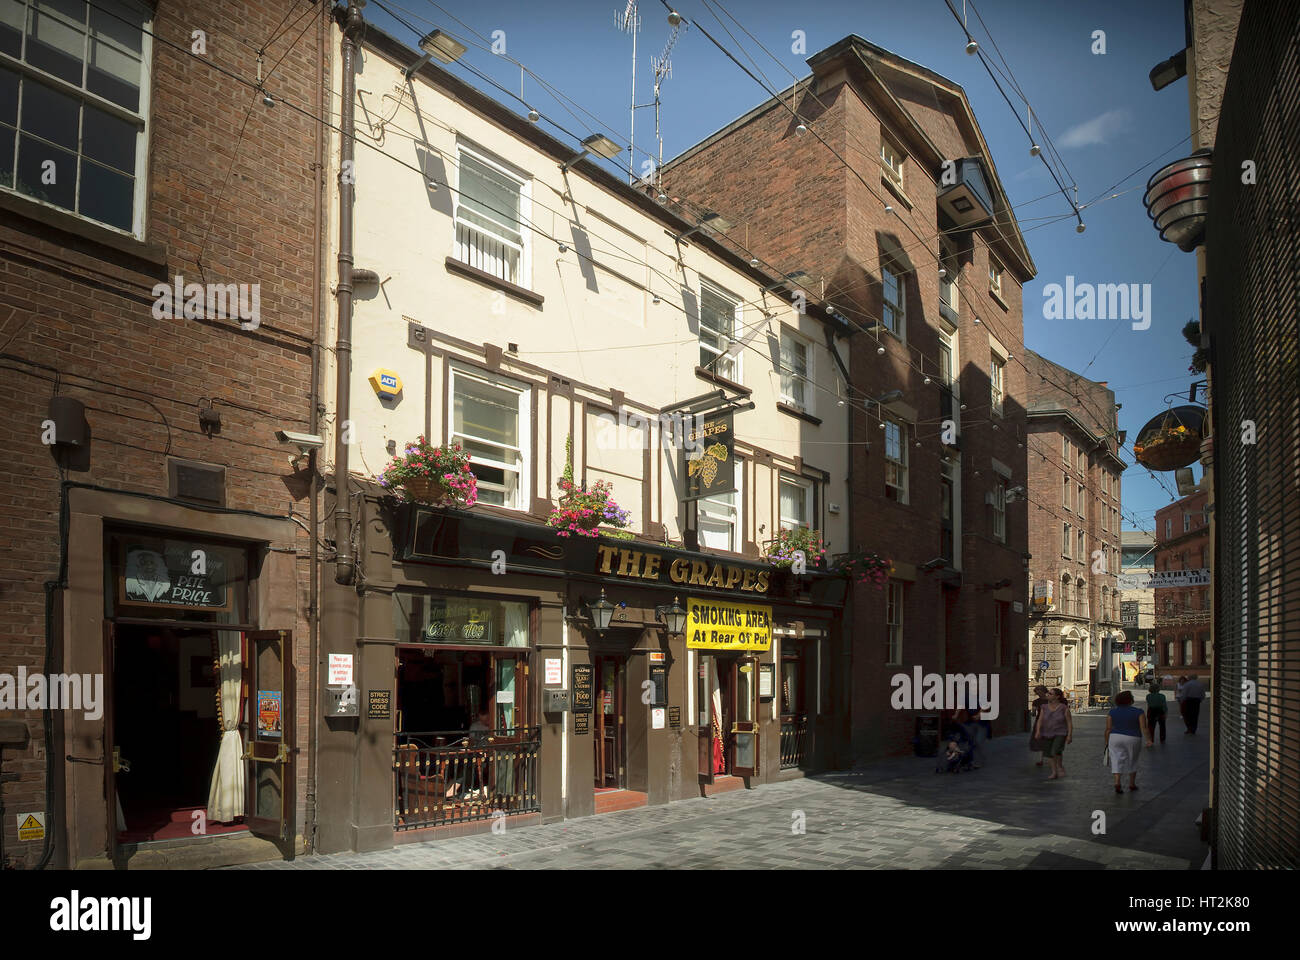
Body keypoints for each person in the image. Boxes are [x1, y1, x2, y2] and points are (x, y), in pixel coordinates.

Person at [1105, 690, 1153, 793]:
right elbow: (1143, 727)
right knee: (1133, 759)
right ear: (1131, 700)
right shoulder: (1139, 712)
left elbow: (1108, 728)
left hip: (1115, 736)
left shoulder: (1112, 712)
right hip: (1133, 737)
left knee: (1116, 759)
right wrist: (1149, 739)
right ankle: (1131, 783)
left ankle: (1117, 782)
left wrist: (1107, 742)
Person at [1033, 688, 1072, 780]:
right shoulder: (1044, 707)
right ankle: (1054, 772)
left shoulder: (1063, 708)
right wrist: (1038, 731)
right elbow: (1040, 720)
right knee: (1049, 754)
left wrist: (1069, 735)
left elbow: (1069, 722)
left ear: (1057, 696)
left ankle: (1059, 767)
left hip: (1060, 732)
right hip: (1047, 733)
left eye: (1050, 694)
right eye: (1048, 693)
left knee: (1055, 750)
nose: (1048, 695)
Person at [1029, 686, 1049, 766]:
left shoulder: (1050, 700)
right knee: (1041, 740)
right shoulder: (1036, 701)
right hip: (1040, 722)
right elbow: (1034, 714)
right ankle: (1041, 759)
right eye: (1037, 692)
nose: (1038, 693)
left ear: (1043, 691)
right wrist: (1033, 711)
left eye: (1038, 691)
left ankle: (1050, 758)